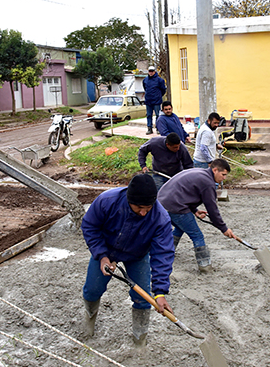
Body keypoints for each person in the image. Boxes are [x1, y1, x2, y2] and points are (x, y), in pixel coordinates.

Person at [81, 174, 174, 346]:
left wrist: (160, 292)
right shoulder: (106, 201)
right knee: (92, 289)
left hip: (137, 254)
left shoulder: (160, 218)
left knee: (143, 298)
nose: (144, 212)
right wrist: (101, 255)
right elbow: (89, 226)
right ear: (128, 199)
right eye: (139, 207)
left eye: (148, 207)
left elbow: (163, 254)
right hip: (106, 250)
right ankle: (89, 319)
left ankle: (140, 339)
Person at [157, 159, 236, 273]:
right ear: (215, 170)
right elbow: (212, 210)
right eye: (223, 174)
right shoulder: (208, 183)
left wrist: (194, 210)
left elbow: (184, 191)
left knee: (181, 227)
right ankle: (205, 266)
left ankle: (168, 251)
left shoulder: (200, 173)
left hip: (162, 203)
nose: (224, 178)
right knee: (197, 235)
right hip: (174, 206)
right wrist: (224, 228)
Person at [143, 65, 167, 135]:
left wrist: (158, 96)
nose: (150, 73)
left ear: (154, 72)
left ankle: (158, 128)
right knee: (149, 115)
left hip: (156, 101)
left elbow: (163, 89)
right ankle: (149, 128)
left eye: (152, 71)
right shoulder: (145, 80)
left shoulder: (160, 80)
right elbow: (145, 88)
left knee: (158, 115)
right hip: (148, 101)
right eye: (149, 71)